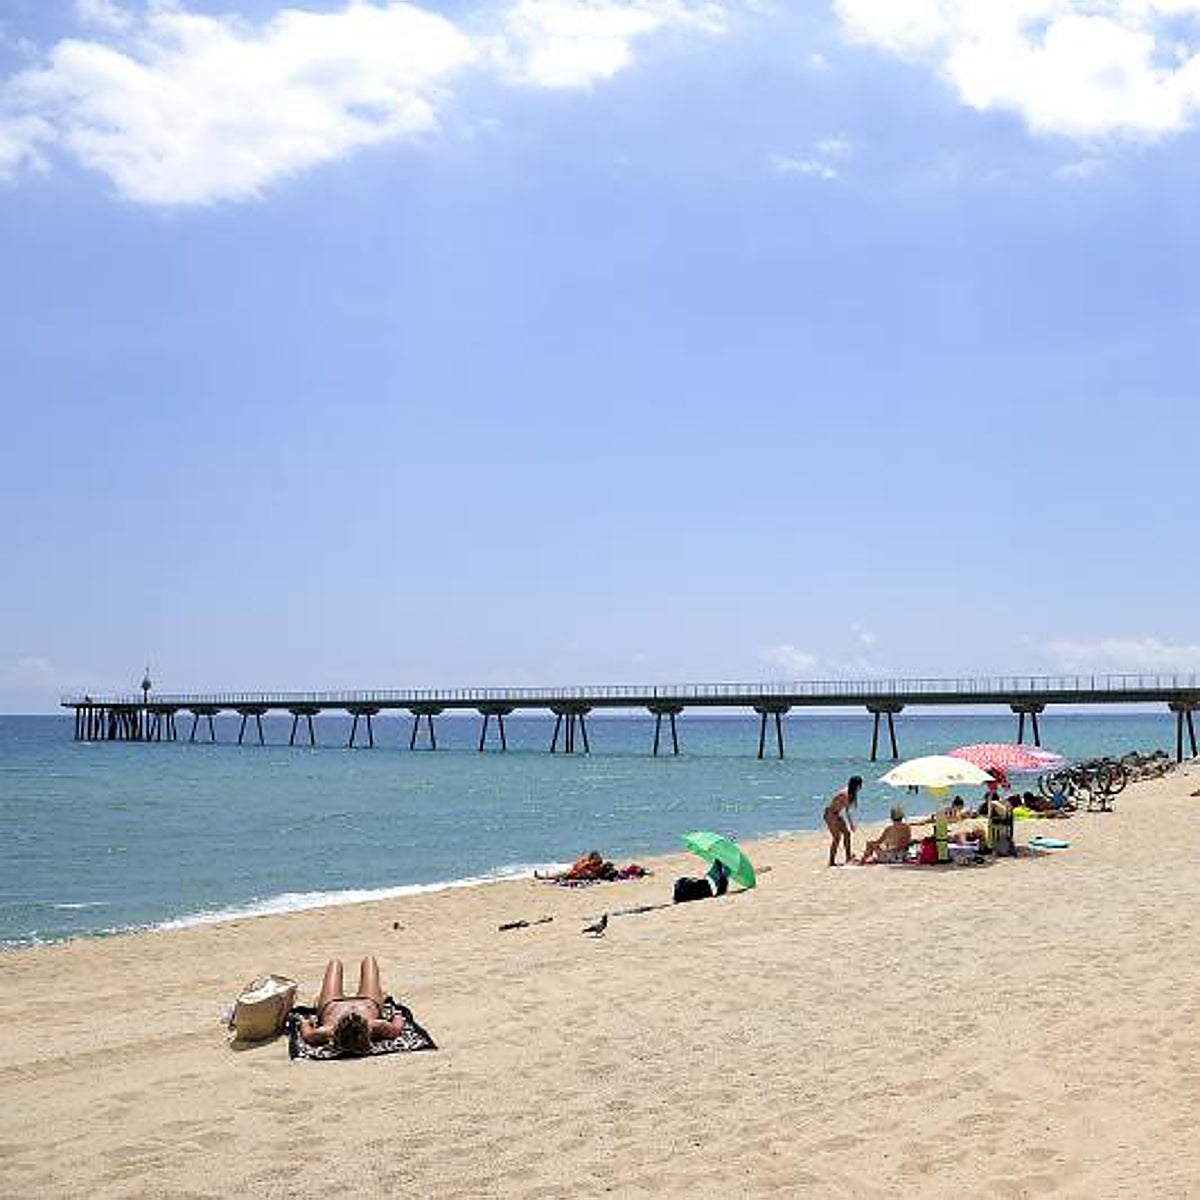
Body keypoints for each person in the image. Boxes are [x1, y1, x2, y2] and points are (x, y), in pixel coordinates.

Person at [298, 956, 406, 1055]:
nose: (351, 1012)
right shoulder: (377, 1025)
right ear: (367, 1029)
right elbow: (397, 1025)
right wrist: (395, 1015)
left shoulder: (327, 1031)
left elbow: (306, 1031)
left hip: (333, 1004)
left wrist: (309, 1022)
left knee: (335, 963)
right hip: (365, 1002)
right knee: (369, 960)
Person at [824, 775, 862, 866]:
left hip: (836, 814)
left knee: (847, 834)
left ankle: (848, 857)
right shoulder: (845, 794)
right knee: (837, 838)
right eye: (860, 784)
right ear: (856, 785)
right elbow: (847, 811)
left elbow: (846, 809)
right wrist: (851, 824)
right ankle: (831, 861)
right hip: (830, 815)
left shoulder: (852, 792)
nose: (861, 787)